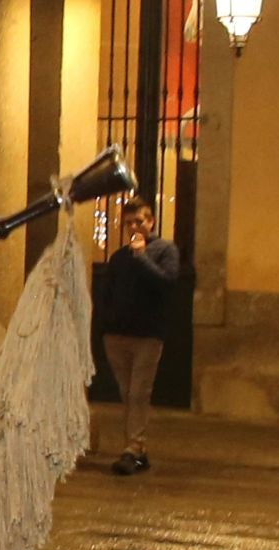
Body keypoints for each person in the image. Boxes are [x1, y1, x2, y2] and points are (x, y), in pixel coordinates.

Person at [100, 196, 179, 476]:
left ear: (151, 222)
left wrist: (142, 257)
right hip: (117, 335)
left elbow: (166, 282)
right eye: (129, 222)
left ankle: (132, 449)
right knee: (127, 393)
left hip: (147, 335)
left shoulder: (164, 250)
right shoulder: (119, 257)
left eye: (140, 221)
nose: (134, 226)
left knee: (138, 393)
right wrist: (107, 323)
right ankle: (139, 450)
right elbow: (108, 291)